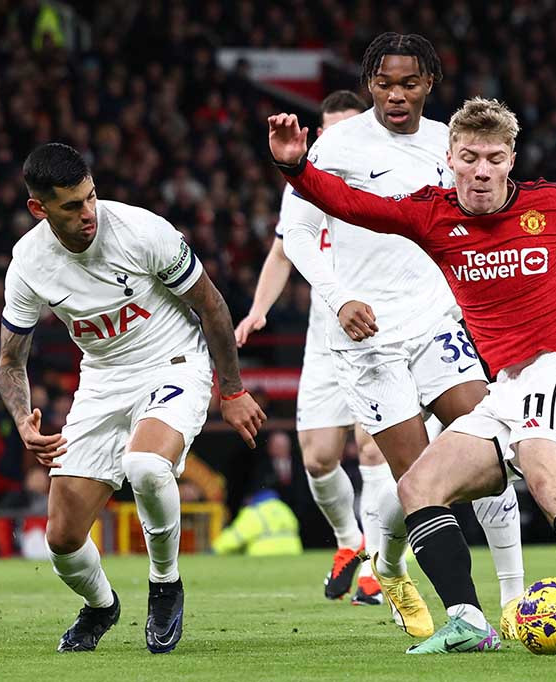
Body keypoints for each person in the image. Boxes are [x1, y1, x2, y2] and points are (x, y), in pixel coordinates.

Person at [268, 97, 556, 653]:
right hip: (503, 389)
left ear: (511, 159)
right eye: (470, 156)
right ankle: (468, 621)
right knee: (419, 487)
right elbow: (355, 206)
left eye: (494, 158)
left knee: (546, 471)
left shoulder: (549, 204)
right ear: (449, 157)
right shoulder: (431, 213)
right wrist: (295, 168)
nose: (481, 170)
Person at [273, 33, 524, 641]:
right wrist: (340, 298)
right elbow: (299, 236)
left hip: (437, 323)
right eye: (384, 83)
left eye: (409, 83)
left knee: (492, 451)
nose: (396, 95)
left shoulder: (450, 144)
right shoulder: (337, 144)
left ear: (429, 84)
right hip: (367, 337)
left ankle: (514, 601)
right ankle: (457, 609)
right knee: (419, 479)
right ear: (368, 84)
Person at [0, 143, 265, 654]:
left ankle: (165, 584)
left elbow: (211, 304)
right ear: (40, 208)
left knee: (145, 465)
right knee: (62, 539)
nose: (88, 213)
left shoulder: (142, 231)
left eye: (91, 197)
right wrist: (22, 422)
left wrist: (231, 390)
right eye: (72, 206)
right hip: (101, 381)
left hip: (173, 362)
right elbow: (11, 361)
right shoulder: (29, 264)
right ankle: (102, 606)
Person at [235, 90, 387, 606]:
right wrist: (259, 310)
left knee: (375, 449)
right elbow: (282, 251)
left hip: (383, 334)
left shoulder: (389, 176)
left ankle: (384, 567)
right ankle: (351, 544)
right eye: (332, 130)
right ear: (320, 134)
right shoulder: (304, 182)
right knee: (319, 459)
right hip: (325, 342)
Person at [211, 489, 303, 557]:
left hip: (264, 555)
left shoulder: (255, 511)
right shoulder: (284, 508)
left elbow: (235, 536)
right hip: (293, 553)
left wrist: (214, 550)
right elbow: (296, 526)